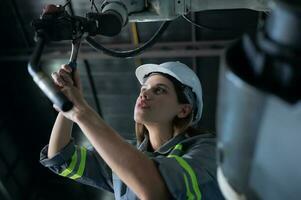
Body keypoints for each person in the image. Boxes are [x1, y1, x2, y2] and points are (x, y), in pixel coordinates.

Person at [40, 61, 224, 200]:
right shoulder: (124, 156)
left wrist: (81, 112)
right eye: (144, 89)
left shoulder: (208, 151)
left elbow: (155, 190)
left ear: (184, 110)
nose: (144, 94)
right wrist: (68, 105)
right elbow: (61, 158)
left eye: (159, 90)